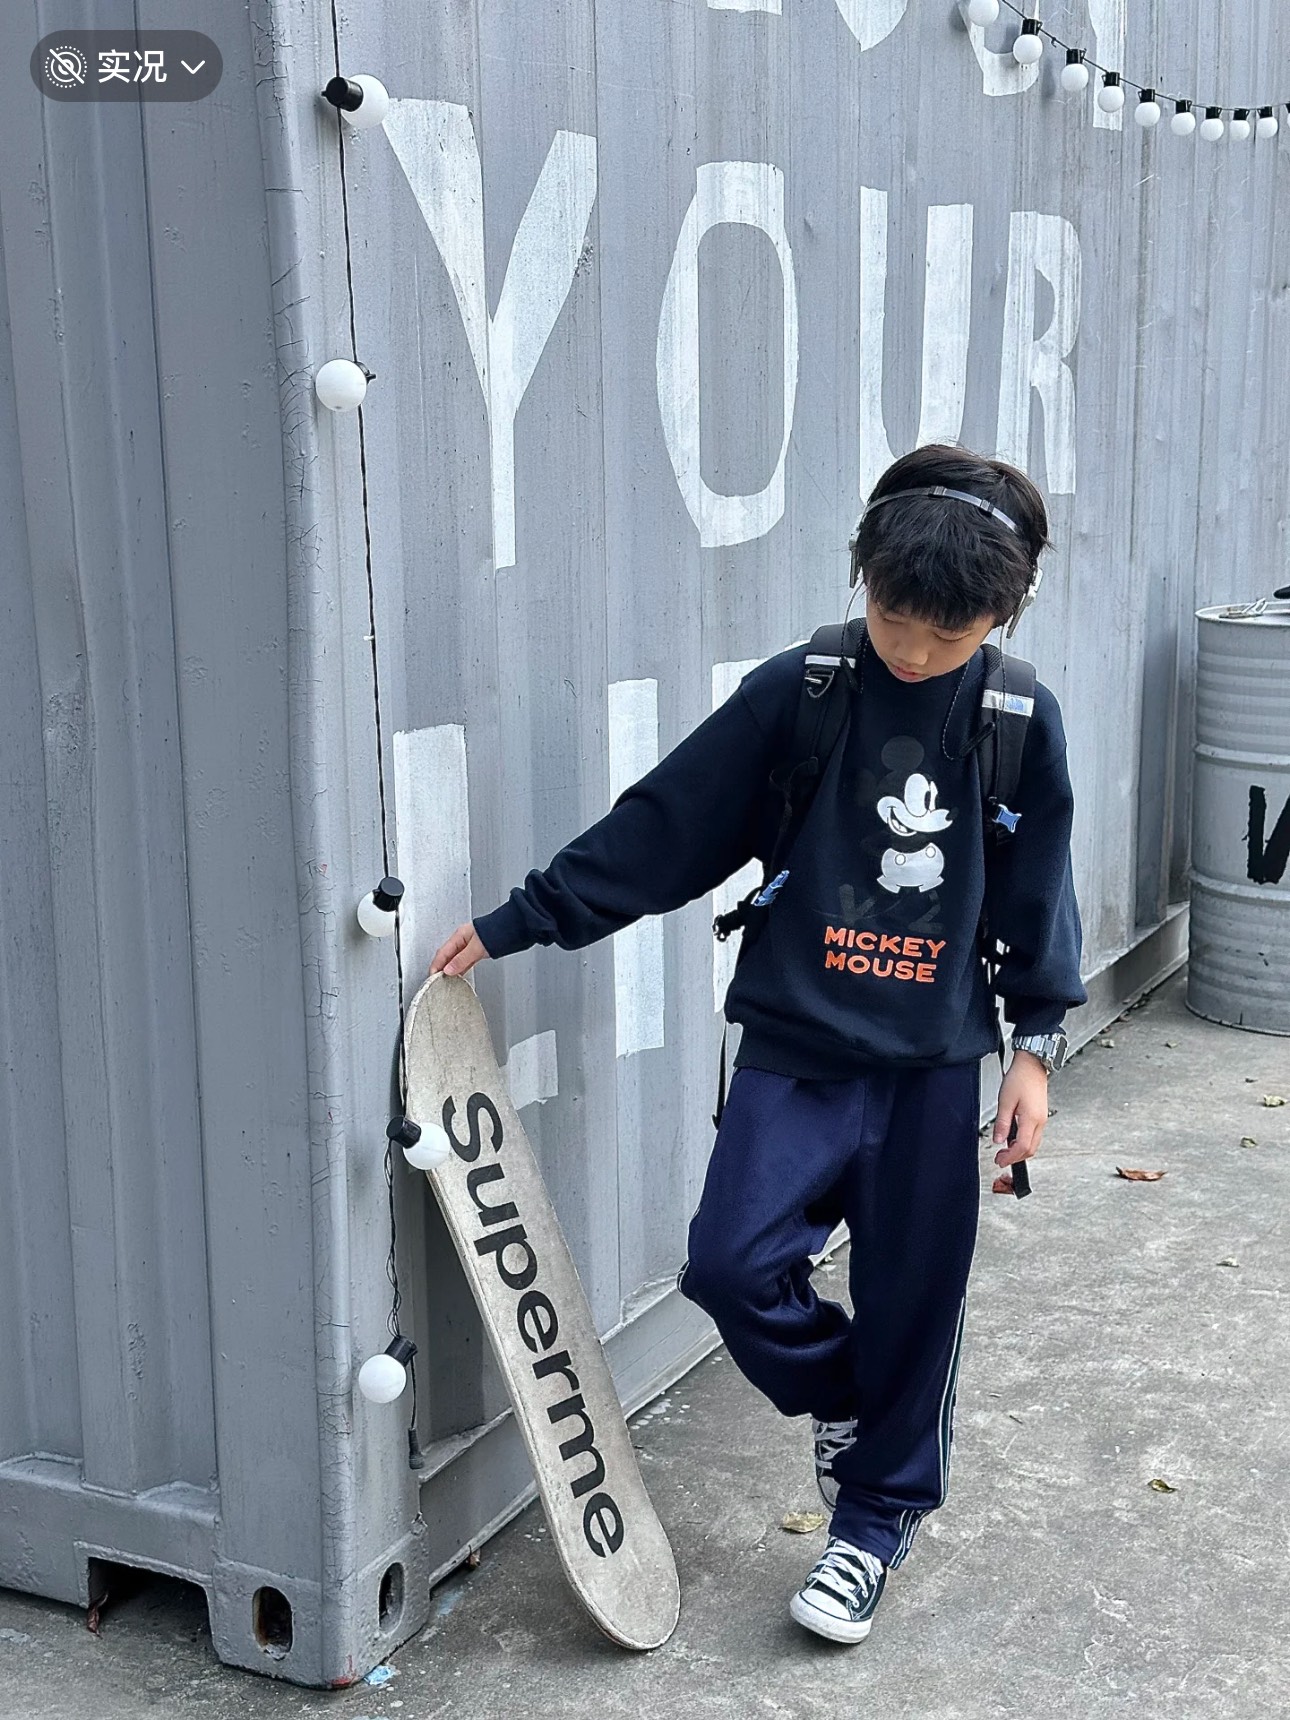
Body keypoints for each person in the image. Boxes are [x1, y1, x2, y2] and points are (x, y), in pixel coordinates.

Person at [430, 442, 1087, 1645]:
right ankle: (850, 1395)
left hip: (935, 1066)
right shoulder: (808, 689)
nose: (913, 651)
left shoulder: (1014, 718)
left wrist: (1034, 1049)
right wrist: (528, 915)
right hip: (794, 1045)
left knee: (917, 1299)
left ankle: (873, 1523)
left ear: (1006, 611)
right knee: (730, 1266)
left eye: (948, 633)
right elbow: (668, 825)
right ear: (863, 574)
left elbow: (1038, 894)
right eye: (893, 615)